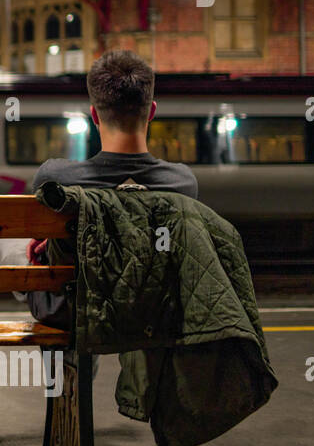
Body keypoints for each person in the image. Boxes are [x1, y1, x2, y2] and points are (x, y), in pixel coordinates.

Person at [23, 49, 198, 328]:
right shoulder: (182, 182)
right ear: (151, 111)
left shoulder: (54, 177)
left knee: (9, 240)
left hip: (75, 312)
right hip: (151, 311)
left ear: (94, 115)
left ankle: (70, 365)